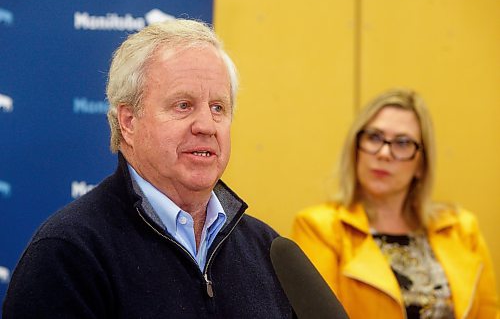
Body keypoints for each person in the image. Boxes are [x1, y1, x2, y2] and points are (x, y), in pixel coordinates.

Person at [3, 19, 293, 318]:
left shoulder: (266, 248)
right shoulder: (68, 254)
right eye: (183, 105)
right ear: (128, 122)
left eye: (218, 107)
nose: (207, 126)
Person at [292, 89, 499, 319]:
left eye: (402, 143)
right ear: (356, 148)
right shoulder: (319, 228)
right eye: (374, 137)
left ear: (421, 164)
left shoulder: (461, 229)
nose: (384, 153)